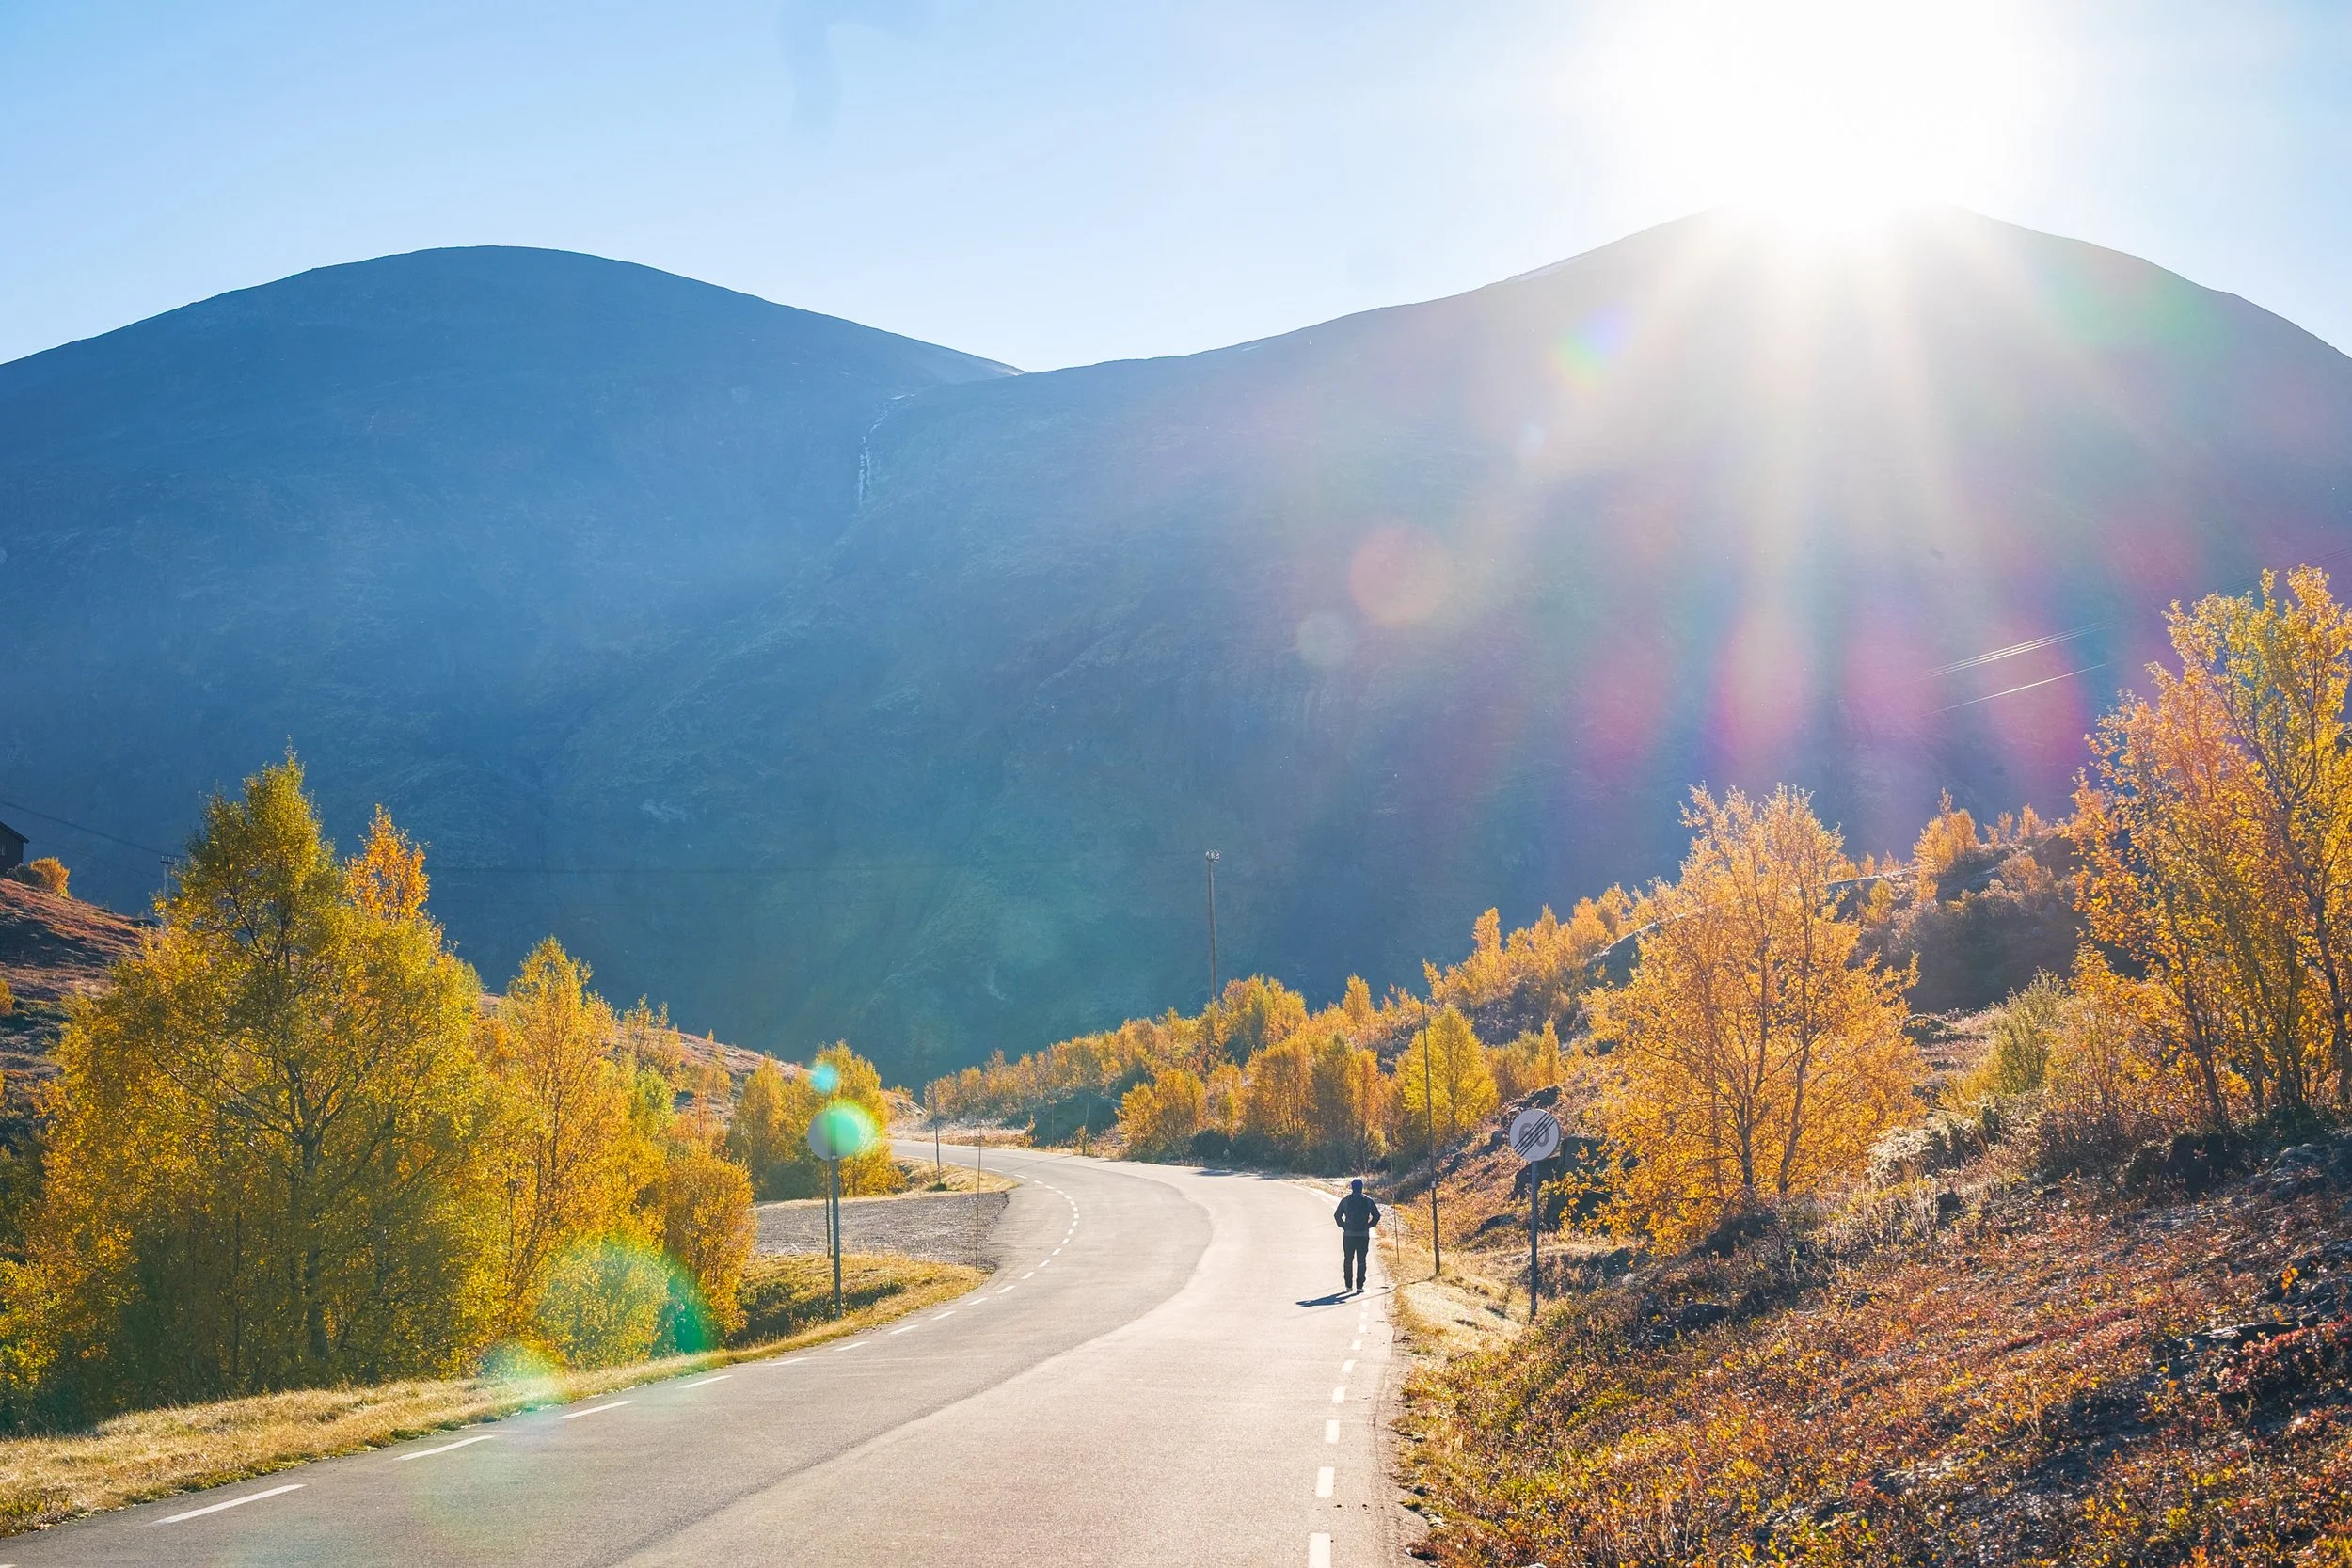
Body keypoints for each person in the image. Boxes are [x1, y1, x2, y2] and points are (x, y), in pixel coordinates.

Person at [1333, 1179, 1380, 1293]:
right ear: (1362, 1188)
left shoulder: (1346, 1201)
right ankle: (1360, 1285)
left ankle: (1348, 1285)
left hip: (1349, 1235)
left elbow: (1337, 1216)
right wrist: (1368, 1226)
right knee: (1361, 1260)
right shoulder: (1368, 1201)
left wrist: (1344, 1226)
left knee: (1348, 1259)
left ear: (1351, 1187)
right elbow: (1377, 1216)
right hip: (1363, 1235)